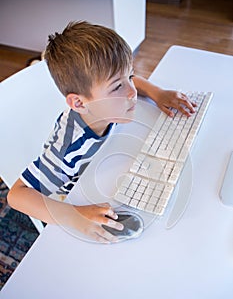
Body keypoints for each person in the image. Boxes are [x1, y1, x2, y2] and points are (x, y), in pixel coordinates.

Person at [7, 21, 196, 243]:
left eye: (129, 77)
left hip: (109, 163)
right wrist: (76, 216)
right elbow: (17, 195)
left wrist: (157, 92)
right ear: (79, 103)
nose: (132, 92)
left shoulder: (107, 104)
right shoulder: (68, 150)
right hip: (81, 192)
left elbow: (132, 82)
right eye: (117, 86)